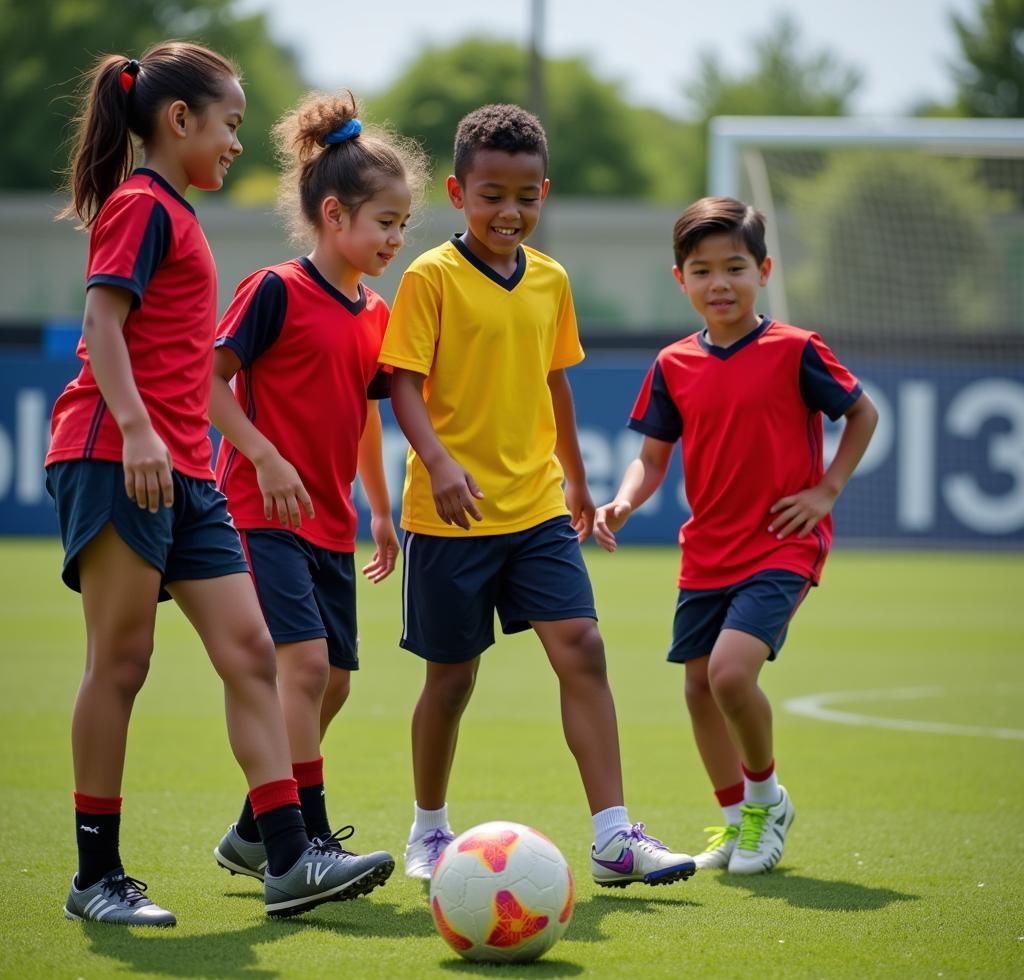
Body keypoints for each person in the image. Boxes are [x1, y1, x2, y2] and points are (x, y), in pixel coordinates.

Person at [46, 43, 391, 926]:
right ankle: (97, 878)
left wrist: (176, 445)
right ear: (179, 121)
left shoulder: (178, 212)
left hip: (189, 474)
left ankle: (287, 859)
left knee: (251, 655)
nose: (237, 142)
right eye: (231, 123)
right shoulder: (139, 203)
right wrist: (133, 431)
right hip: (115, 455)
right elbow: (101, 320)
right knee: (121, 664)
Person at [379, 103, 696, 888]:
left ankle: (615, 839)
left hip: (539, 508)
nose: (509, 211)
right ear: (458, 193)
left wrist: (579, 482)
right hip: (449, 514)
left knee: (582, 650)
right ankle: (427, 830)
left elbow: (554, 382)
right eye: (491, 195)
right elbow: (402, 384)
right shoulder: (430, 277)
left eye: (525, 196)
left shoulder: (551, 279)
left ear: (543, 192)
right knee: (451, 679)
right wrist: (438, 462)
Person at [594, 196, 879, 873]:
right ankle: (734, 821)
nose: (719, 284)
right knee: (697, 688)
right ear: (680, 280)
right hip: (707, 550)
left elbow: (861, 414)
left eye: (735, 267)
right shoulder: (672, 364)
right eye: (702, 271)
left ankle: (766, 802)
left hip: (782, 544)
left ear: (763, 271)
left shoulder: (796, 349)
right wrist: (626, 500)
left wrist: (826, 490)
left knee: (728, 674)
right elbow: (653, 457)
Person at [208, 91, 427, 882]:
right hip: (261, 514)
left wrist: (379, 510)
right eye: (385, 222)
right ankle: (306, 846)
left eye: (405, 224)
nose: (397, 239)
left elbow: (367, 419)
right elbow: (209, 381)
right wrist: (264, 456)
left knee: (330, 684)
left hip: (332, 522)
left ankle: (253, 831)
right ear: (334, 215)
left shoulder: (377, 314)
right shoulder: (275, 290)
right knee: (299, 672)